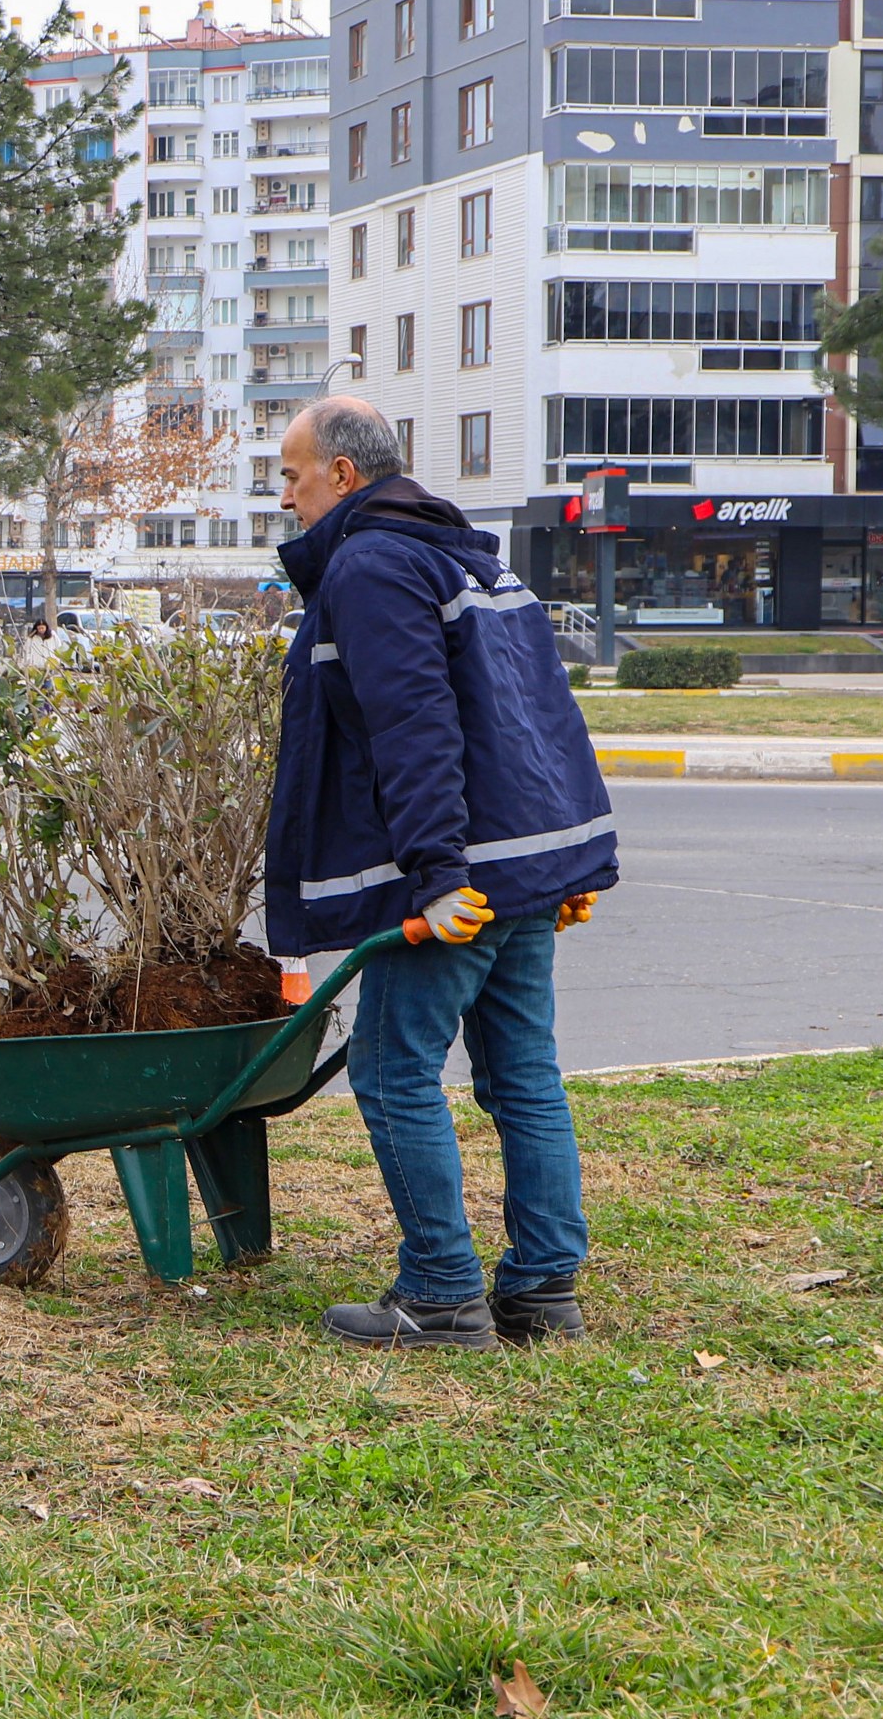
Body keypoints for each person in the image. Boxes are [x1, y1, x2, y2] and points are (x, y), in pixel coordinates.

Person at [268, 396, 616, 1351]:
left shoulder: (373, 564)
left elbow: (411, 725)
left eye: (293, 477)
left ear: (343, 474)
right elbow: (541, 713)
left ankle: (440, 1293)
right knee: (524, 1074)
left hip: (458, 875)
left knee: (391, 1070)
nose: (287, 498)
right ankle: (542, 1292)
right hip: (521, 865)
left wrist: (434, 876)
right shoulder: (471, 556)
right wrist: (568, 862)